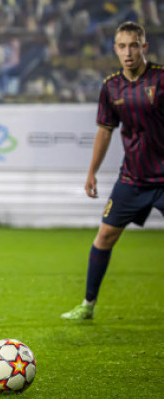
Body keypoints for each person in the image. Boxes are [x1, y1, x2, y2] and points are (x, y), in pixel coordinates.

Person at [61, 21, 164, 321]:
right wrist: (91, 172)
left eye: (134, 45)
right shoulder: (111, 86)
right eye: (122, 46)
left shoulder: (160, 80)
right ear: (115, 50)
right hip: (132, 178)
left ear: (144, 48)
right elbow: (105, 131)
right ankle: (87, 305)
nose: (128, 52)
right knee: (104, 236)